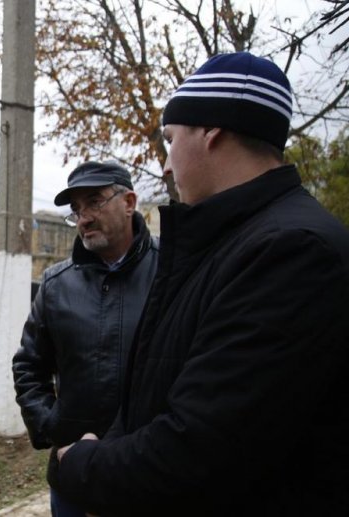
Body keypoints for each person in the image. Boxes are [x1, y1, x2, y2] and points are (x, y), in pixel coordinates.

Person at [50, 52, 349, 516]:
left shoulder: (290, 251)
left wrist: (83, 465)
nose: (166, 166)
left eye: (171, 140)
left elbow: (202, 448)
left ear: (212, 131)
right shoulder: (228, 244)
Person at [12, 161, 158, 516]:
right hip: (74, 481)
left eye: (94, 201)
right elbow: (28, 366)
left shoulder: (173, 272)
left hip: (152, 476)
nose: (84, 217)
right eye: (76, 209)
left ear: (129, 202)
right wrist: (54, 429)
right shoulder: (56, 284)